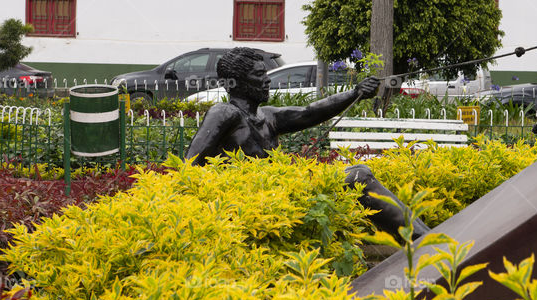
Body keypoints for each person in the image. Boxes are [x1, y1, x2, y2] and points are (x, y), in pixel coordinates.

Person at [185, 47, 431, 239]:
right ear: (236, 82)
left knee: (360, 174)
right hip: (250, 201)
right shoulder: (224, 113)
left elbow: (309, 112)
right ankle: (421, 241)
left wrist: (355, 92)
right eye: (259, 75)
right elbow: (189, 164)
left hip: (280, 192)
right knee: (358, 176)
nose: (267, 80)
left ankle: (423, 238)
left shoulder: (267, 116)